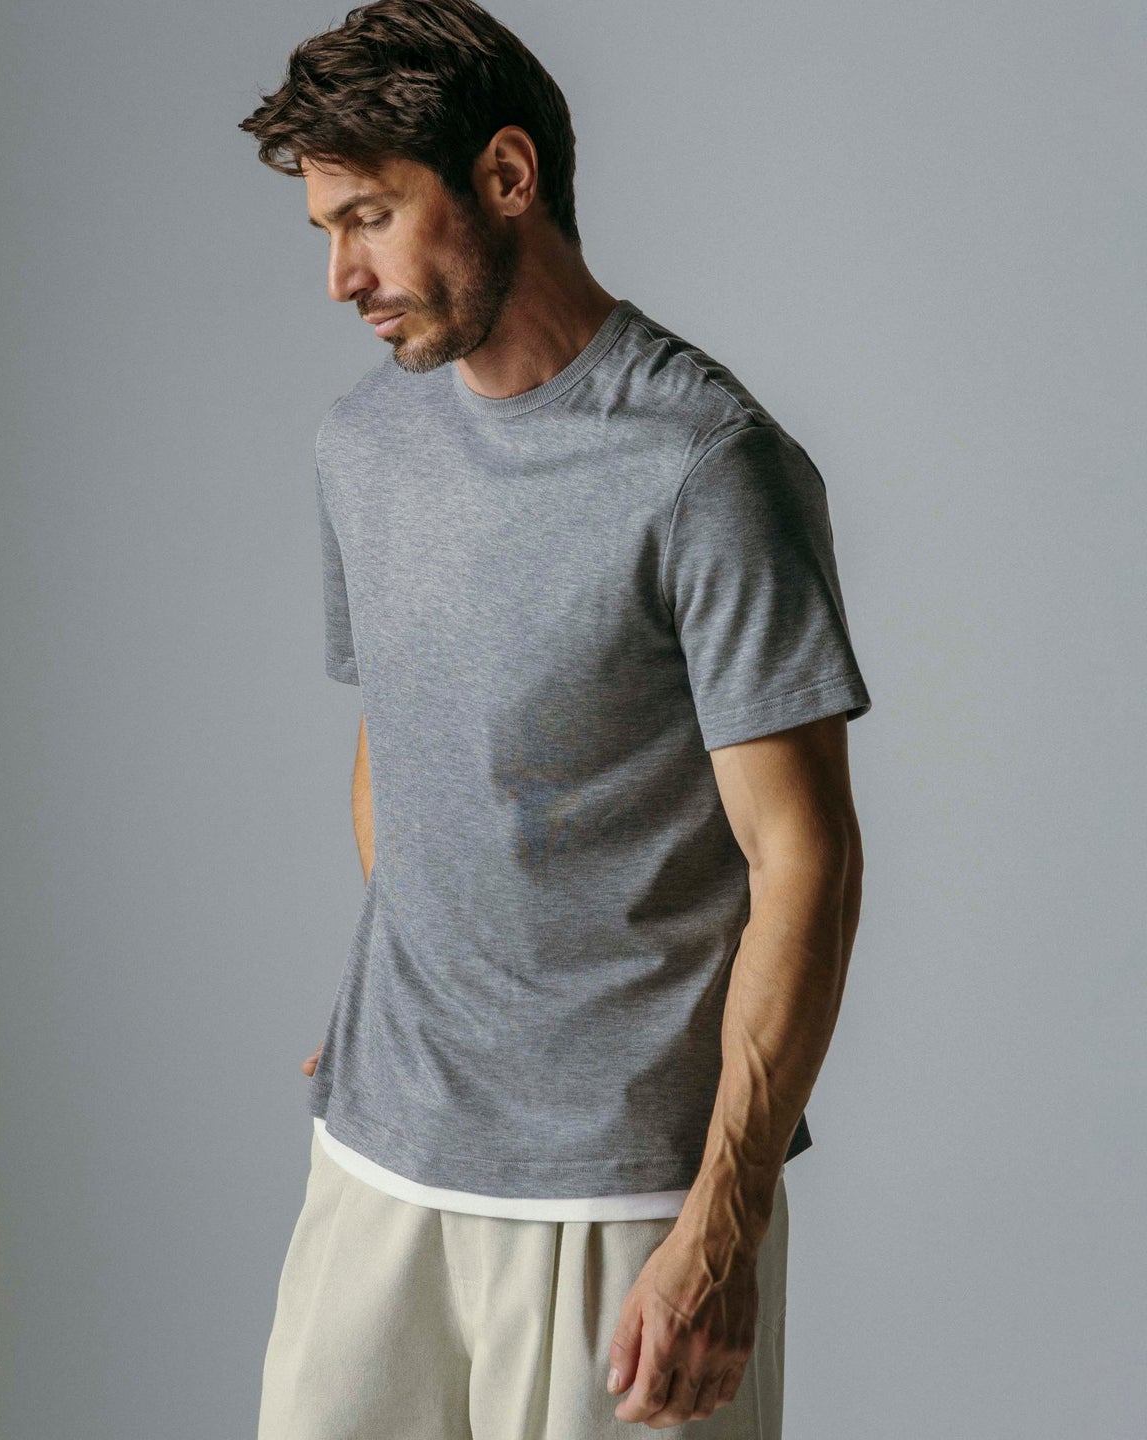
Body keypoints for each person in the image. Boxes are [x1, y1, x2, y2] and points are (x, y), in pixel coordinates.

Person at [240, 2, 871, 1434]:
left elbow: (806, 863)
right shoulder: (365, 442)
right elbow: (404, 732)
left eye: (371, 218)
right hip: (381, 1153)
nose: (340, 278)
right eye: (326, 230)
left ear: (508, 177)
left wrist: (721, 1226)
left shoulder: (707, 465)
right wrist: (416, 978)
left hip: (627, 1197)